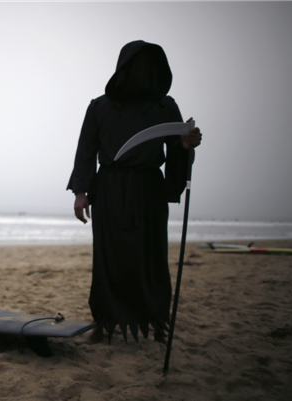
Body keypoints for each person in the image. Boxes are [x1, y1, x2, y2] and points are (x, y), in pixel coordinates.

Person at [67, 40, 202, 344]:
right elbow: (86, 151)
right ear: (123, 68)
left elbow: (178, 150)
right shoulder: (100, 106)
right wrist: (80, 192)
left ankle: (157, 321)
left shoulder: (165, 106)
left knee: (150, 257)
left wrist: (186, 145)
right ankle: (105, 321)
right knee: (109, 259)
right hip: (111, 189)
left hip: (148, 189)